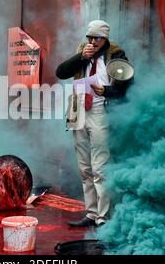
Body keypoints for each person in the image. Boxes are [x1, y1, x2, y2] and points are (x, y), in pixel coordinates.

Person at [56, 20, 131, 227]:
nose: (92, 41)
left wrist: (106, 91)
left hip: (100, 110)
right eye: (89, 37)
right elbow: (61, 72)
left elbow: (125, 87)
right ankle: (91, 213)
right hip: (78, 109)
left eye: (96, 38)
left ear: (105, 39)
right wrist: (82, 57)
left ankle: (103, 218)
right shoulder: (83, 52)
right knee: (84, 167)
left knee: (100, 167)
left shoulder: (116, 55)